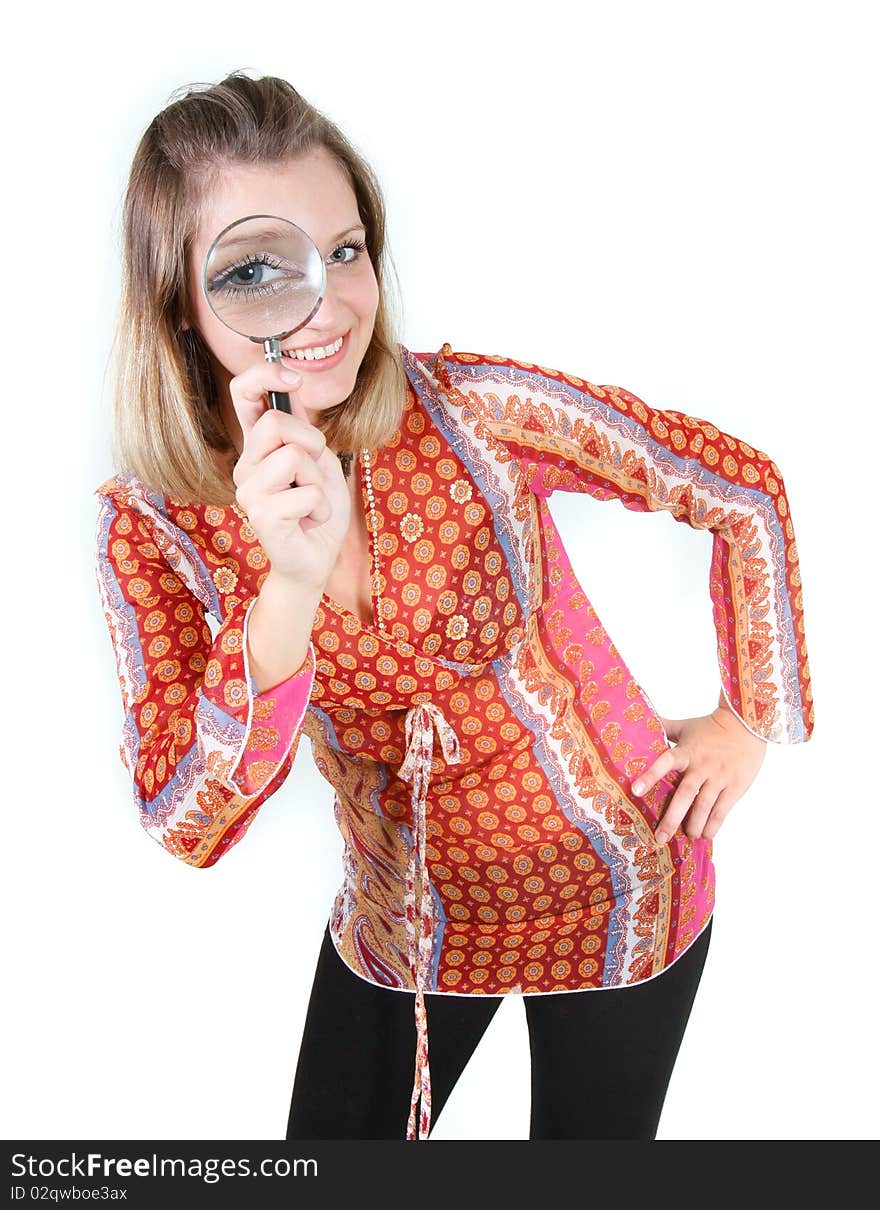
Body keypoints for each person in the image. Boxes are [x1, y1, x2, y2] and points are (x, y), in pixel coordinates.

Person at [94, 71, 814, 1142]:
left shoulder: (472, 408)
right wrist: (285, 586)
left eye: (345, 250)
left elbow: (739, 488)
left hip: (619, 884)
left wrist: (753, 716)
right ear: (175, 302)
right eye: (256, 268)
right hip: (407, 923)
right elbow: (187, 824)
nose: (327, 302)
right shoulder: (152, 525)